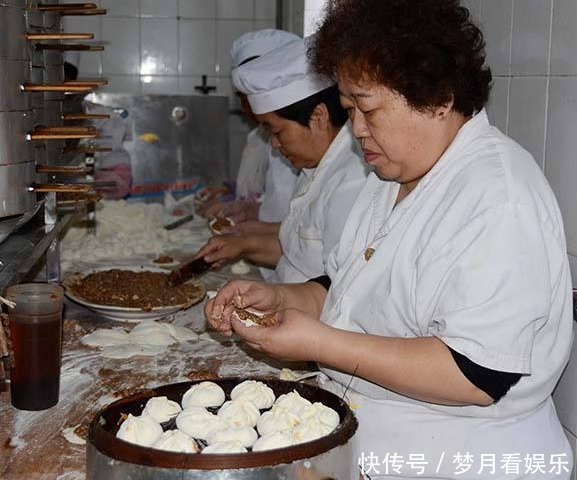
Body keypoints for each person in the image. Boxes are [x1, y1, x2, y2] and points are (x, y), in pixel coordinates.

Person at [205, 1, 574, 478]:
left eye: (369, 108)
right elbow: (346, 288)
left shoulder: (497, 195)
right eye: (348, 109)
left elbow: (477, 373)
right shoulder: (390, 178)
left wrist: (321, 342)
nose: (356, 130)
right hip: (377, 444)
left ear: (437, 97)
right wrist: (279, 297)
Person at [199, 37, 366, 283]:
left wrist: (273, 297)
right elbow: (297, 254)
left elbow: (337, 286)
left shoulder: (352, 180)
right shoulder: (313, 170)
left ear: (318, 117)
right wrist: (240, 246)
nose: (275, 145)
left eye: (277, 131)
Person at [201, 29, 300, 226]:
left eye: (252, 96)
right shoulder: (258, 137)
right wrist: (230, 193)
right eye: (242, 97)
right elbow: (258, 189)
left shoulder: (292, 142)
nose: (247, 106)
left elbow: (281, 212)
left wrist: (242, 211)